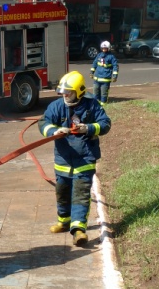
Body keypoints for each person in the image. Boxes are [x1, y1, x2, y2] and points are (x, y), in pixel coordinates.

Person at [39, 71, 111, 247]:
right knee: (62, 192)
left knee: (80, 193)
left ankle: (78, 230)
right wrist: (54, 131)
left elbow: (105, 123)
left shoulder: (92, 106)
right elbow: (44, 122)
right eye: (62, 92)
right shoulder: (56, 106)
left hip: (85, 159)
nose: (65, 96)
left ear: (79, 92)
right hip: (63, 160)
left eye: (68, 93)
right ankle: (64, 221)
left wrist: (88, 128)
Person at [90, 41, 118, 105]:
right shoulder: (99, 55)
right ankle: (95, 104)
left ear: (108, 48)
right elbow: (94, 64)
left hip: (105, 78)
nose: (104, 49)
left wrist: (114, 76)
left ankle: (103, 104)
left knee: (104, 93)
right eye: (103, 48)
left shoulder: (111, 57)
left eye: (105, 48)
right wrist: (91, 72)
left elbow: (115, 67)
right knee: (95, 91)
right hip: (97, 78)